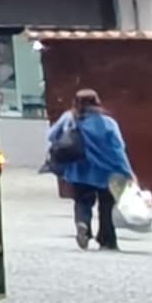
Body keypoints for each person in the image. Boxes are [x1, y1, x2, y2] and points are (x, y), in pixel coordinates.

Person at [49, 90, 131, 250]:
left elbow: (52, 136)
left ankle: (83, 224)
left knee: (82, 201)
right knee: (106, 205)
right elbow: (118, 148)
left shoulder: (69, 119)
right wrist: (126, 170)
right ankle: (107, 240)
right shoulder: (108, 122)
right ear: (97, 102)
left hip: (78, 169)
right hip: (105, 171)